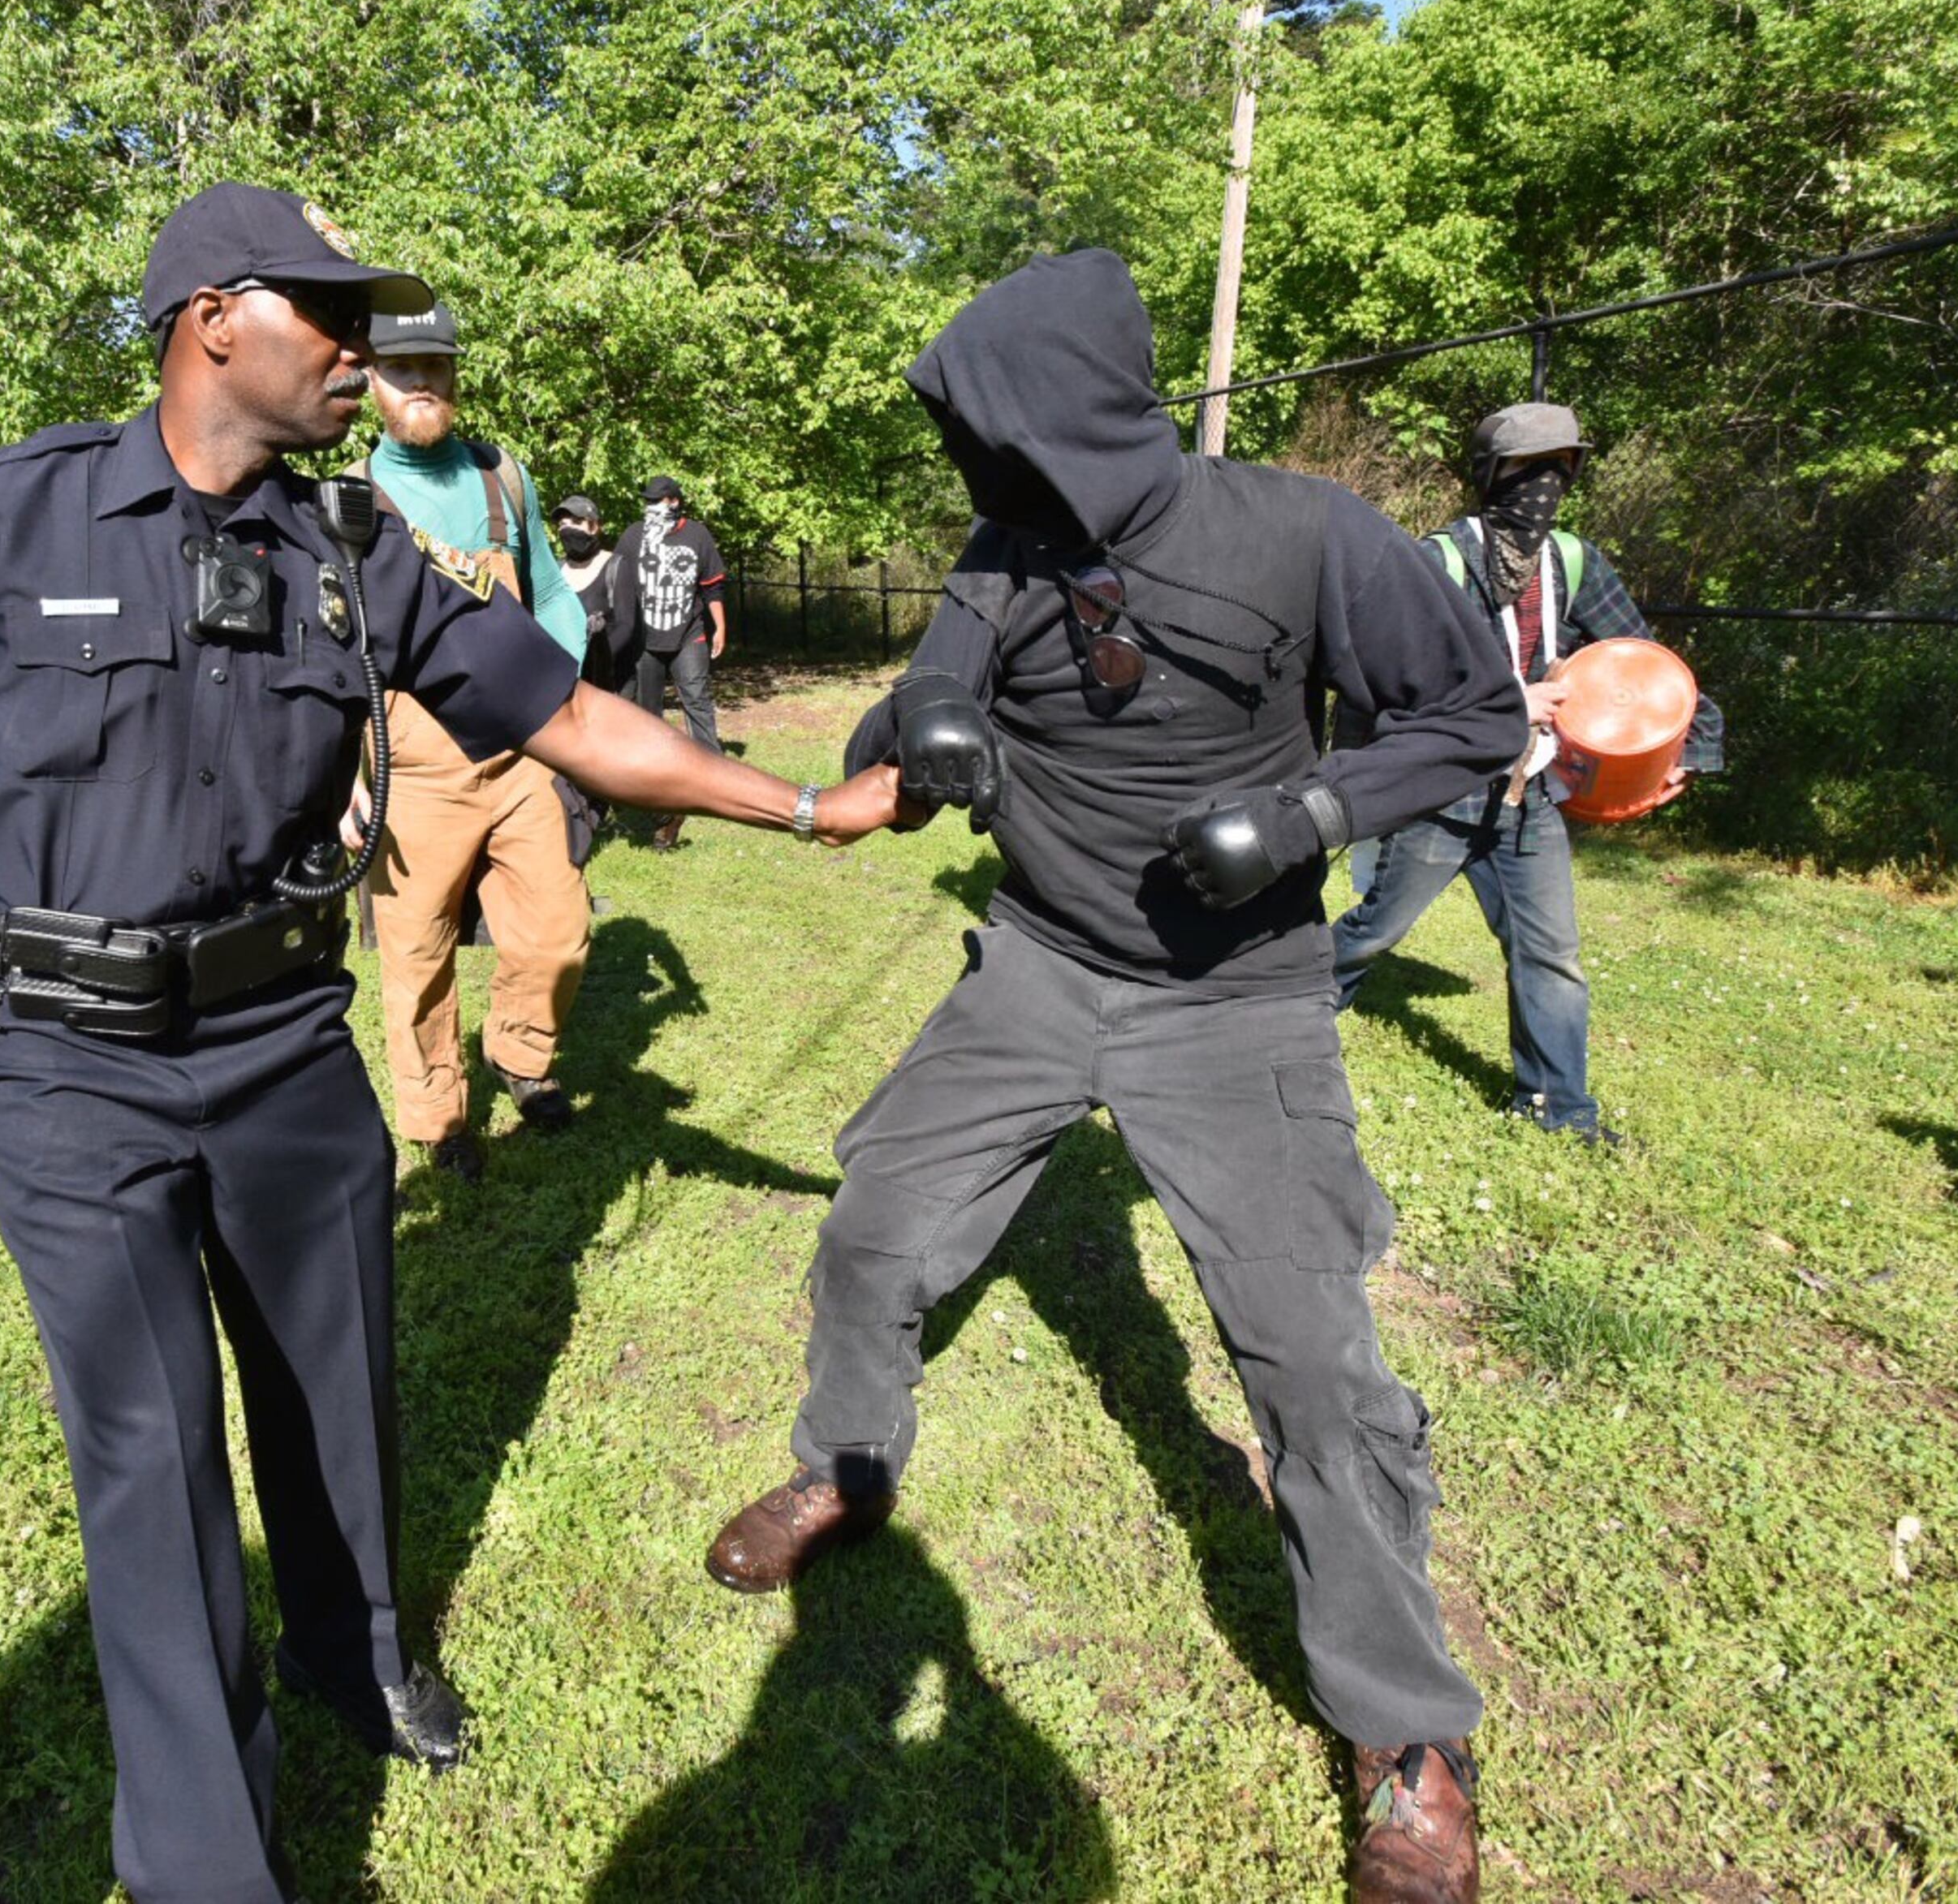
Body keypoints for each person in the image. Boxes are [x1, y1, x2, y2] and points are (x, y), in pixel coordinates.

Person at [0, 182, 899, 1904]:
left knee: (335, 1381)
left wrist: (805, 801)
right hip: (66, 1060)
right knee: (151, 1448)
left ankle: (353, 1652)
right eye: (328, 315)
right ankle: (210, 1860)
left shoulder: (356, 552)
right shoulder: (7, 513)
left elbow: (575, 715)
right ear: (213, 316)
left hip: (286, 1039)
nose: (362, 351)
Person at [701, 252, 1527, 1904]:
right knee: (876, 1228)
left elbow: (1472, 715)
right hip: (1039, 964)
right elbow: (926, 686)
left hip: (1239, 995)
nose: (973, 468)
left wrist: (1308, 819)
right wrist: (924, 720)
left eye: (990, 426)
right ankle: (847, 1463)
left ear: (1066, 414)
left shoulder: (1301, 533)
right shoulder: (1010, 546)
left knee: (1309, 1359)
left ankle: (1407, 1734)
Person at [1329, 402, 1725, 1150]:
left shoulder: (1575, 563)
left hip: (1528, 798)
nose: (1544, 485)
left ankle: (1558, 1109)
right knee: (1379, 929)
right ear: (1488, 476)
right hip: (1442, 795)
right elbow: (1388, 681)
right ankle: (1302, 1004)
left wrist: (1685, 750)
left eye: (1559, 468)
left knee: (1551, 955)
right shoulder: (1434, 563)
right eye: (1525, 470)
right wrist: (1511, 701)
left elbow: (1642, 665)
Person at [349, 299, 593, 1178]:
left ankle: (522, 1055)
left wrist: (560, 693)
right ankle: (438, 1118)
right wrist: (348, 767)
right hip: (413, 764)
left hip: (523, 749)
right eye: (400, 369)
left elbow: (553, 593)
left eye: (435, 366)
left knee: (559, 929)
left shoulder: (503, 478)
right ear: (368, 380)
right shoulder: (346, 502)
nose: (420, 383)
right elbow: (332, 651)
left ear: (456, 373)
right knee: (417, 957)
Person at [617, 473, 727, 848]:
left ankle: (714, 775)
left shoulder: (697, 535)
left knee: (696, 697)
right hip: (645, 639)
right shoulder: (633, 536)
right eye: (648, 501)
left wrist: (720, 629)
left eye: (659, 501)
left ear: (675, 502)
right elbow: (618, 586)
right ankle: (653, 775)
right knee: (648, 712)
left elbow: (713, 586)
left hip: (689, 633)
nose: (652, 507)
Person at [553, 493, 639, 691]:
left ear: (594, 526)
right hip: (564, 681)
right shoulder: (555, 571)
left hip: (612, 683)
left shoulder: (616, 566)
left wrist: (594, 661)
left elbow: (626, 626)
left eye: (576, 522)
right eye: (562, 525)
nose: (568, 529)